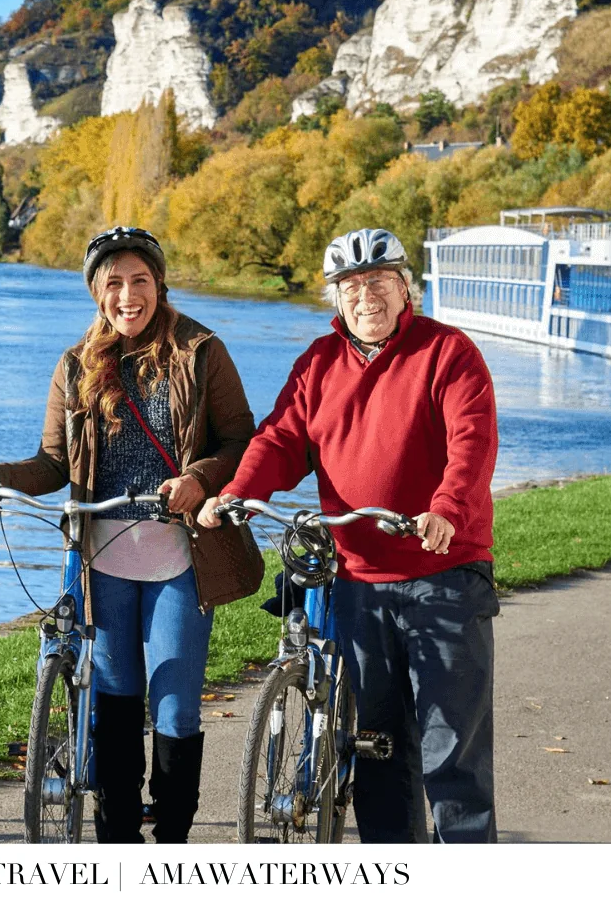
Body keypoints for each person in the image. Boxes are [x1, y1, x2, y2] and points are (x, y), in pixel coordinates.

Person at [0, 226, 262, 844]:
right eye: (114, 284)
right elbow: (52, 463)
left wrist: (199, 478)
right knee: (116, 704)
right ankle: (116, 845)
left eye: (140, 281)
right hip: (105, 558)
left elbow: (241, 441)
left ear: (159, 284)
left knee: (175, 705)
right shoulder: (75, 366)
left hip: (181, 556)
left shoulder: (202, 352)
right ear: (98, 293)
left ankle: (172, 841)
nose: (129, 296)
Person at [199, 227, 500, 843]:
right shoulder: (319, 362)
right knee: (380, 750)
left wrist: (445, 507)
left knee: (451, 753)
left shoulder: (447, 352)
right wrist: (240, 495)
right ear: (336, 298)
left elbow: (472, 442)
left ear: (406, 288)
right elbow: (282, 438)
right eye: (352, 286)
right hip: (360, 581)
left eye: (380, 282)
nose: (367, 298)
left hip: (443, 575)